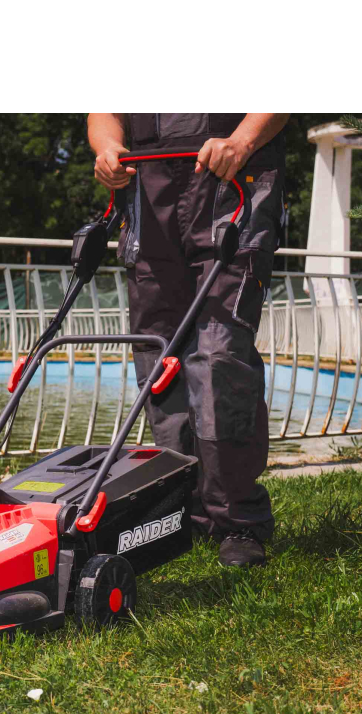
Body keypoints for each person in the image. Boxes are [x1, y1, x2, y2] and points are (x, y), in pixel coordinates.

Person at [88, 113, 289, 568]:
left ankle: (237, 520)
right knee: (159, 360)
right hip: (148, 189)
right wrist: (106, 149)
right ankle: (180, 509)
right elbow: (105, 111)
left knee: (220, 357)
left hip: (231, 184)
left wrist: (241, 142)